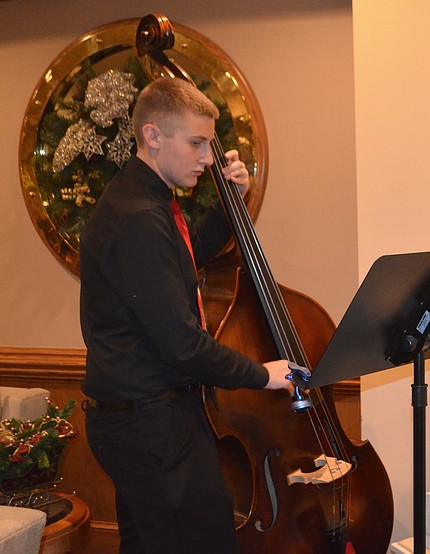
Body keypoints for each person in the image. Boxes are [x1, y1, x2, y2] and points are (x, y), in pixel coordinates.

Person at [79, 77, 293, 553]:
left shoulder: (147, 202)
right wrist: (262, 374)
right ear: (153, 136)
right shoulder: (138, 217)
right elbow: (181, 344)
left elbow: (180, 260)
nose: (207, 158)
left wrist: (228, 206)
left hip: (145, 421)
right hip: (150, 427)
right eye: (196, 143)